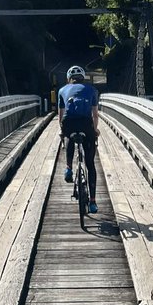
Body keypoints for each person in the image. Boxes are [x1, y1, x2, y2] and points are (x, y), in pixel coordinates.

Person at [57, 65, 99, 213]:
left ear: (69, 78)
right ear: (83, 77)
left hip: (69, 123)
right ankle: (93, 202)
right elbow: (95, 114)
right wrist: (95, 131)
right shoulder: (92, 90)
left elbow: (61, 115)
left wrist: (62, 132)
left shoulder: (62, 90)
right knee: (90, 164)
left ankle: (68, 168)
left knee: (68, 135)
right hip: (86, 125)